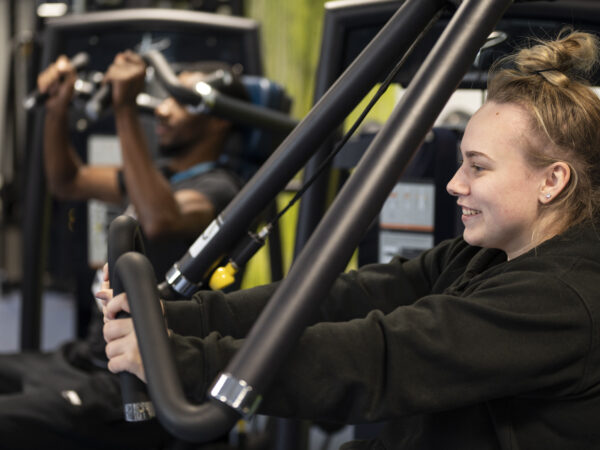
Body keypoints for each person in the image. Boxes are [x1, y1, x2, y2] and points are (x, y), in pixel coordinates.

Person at [103, 30, 600, 449]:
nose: (455, 183)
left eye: (478, 166)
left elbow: (382, 358)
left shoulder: (562, 299)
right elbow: (344, 299)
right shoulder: (483, 256)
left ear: (552, 181)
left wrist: (189, 361)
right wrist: (175, 317)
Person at [0, 50, 248, 449]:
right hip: (85, 358)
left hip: (134, 388)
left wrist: (125, 109)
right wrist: (57, 110)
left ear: (219, 119)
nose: (163, 111)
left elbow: (159, 219)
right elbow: (68, 181)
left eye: (179, 102)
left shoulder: (223, 190)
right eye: (164, 98)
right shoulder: (161, 177)